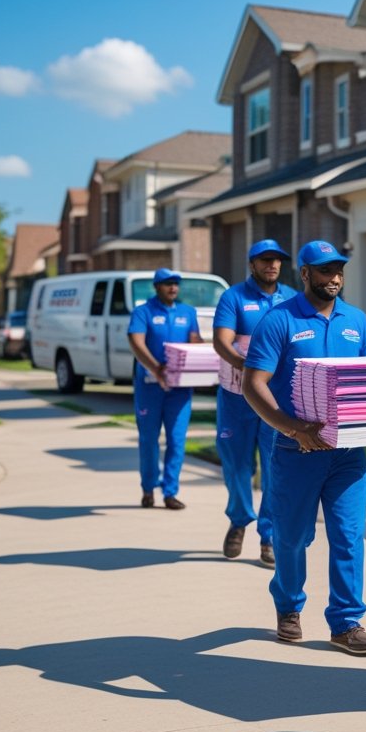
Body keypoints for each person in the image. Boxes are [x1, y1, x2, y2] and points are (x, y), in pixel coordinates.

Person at [243, 240, 366, 655]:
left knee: (349, 535)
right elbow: (253, 384)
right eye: (324, 271)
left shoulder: (357, 320)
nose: (333, 277)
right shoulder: (278, 321)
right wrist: (294, 429)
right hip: (296, 451)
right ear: (304, 274)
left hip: (348, 455)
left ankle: (346, 621)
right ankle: (288, 605)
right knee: (292, 537)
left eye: (338, 269)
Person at [213, 239, 298, 568]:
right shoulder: (233, 297)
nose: (272, 265)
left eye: (277, 260)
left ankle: (269, 536)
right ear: (252, 264)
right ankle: (239, 518)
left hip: (276, 400)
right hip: (237, 397)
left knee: (275, 467)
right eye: (265, 260)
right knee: (236, 465)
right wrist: (249, 369)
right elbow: (222, 341)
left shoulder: (291, 298)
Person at [127, 267, 204, 510]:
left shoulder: (187, 312)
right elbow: (136, 342)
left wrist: (208, 352)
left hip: (179, 389)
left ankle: (170, 492)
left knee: (177, 440)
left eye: (176, 283)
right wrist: (156, 368)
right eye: (167, 283)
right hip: (149, 387)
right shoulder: (143, 312)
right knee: (149, 439)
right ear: (156, 286)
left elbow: (194, 341)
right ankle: (148, 488)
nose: (173, 287)